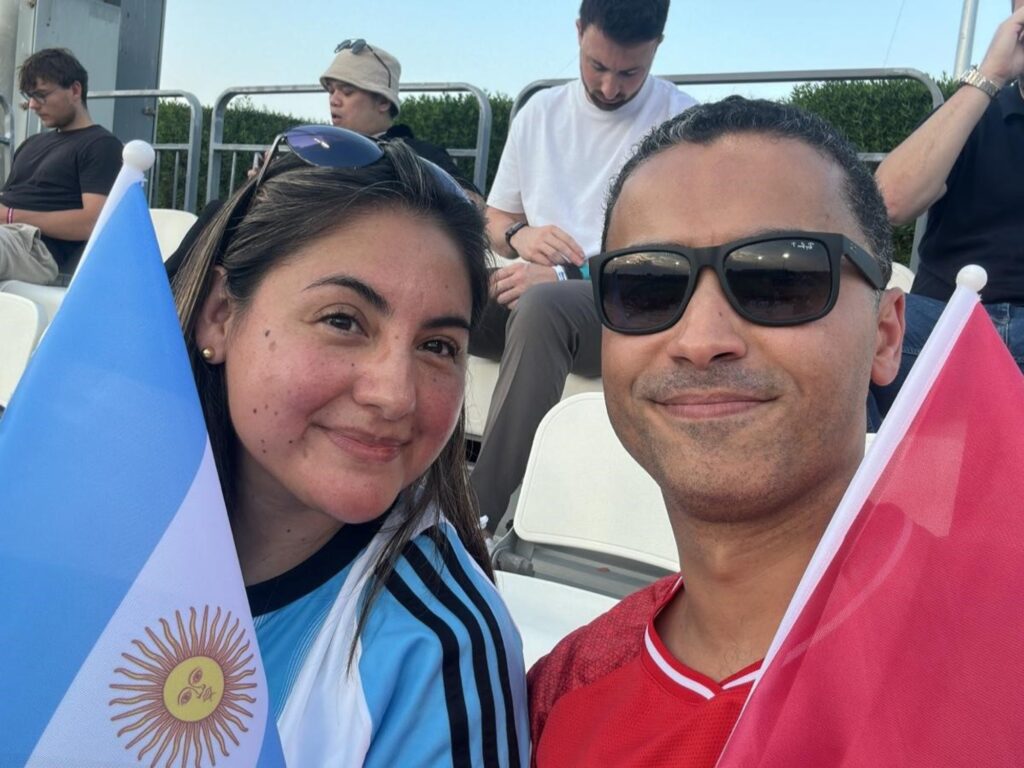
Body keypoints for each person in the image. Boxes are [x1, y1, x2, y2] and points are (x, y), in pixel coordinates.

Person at [527, 97, 904, 766]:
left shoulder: (993, 656)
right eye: (645, 288)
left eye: (779, 279)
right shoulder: (555, 694)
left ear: (885, 334)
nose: (700, 340)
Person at [170, 126, 528, 766]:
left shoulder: (435, 647)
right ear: (220, 314)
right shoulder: (75, 520)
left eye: (437, 346)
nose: (395, 395)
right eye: (343, 320)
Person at [472, 0, 696, 536]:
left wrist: (565, 277)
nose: (611, 87)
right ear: (578, 32)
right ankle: (398, 482)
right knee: (445, 291)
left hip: (627, 303)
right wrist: (520, 235)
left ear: (658, 47)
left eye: (630, 73)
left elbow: (677, 253)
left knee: (544, 306)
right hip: (533, 291)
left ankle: (474, 518)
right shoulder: (539, 114)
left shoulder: (682, 124)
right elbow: (496, 217)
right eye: (597, 66)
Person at [870, 1, 1024, 420]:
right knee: (850, 330)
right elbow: (889, 201)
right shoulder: (973, 112)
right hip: (944, 323)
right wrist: (990, 74)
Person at [0, 48, 121, 283]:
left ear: (75, 90)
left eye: (41, 95)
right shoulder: (31, 144)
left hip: (35, 246)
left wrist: (11, 216)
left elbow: (94, 222)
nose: (32, 105)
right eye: (29, 96)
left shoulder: (102, 145)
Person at [321, 38, 477, 192]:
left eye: (347, 91)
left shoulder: (422, 157)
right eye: (331, 91)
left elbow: (470, 201)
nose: (333, 100)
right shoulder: (319, 150)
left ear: (383, 101)